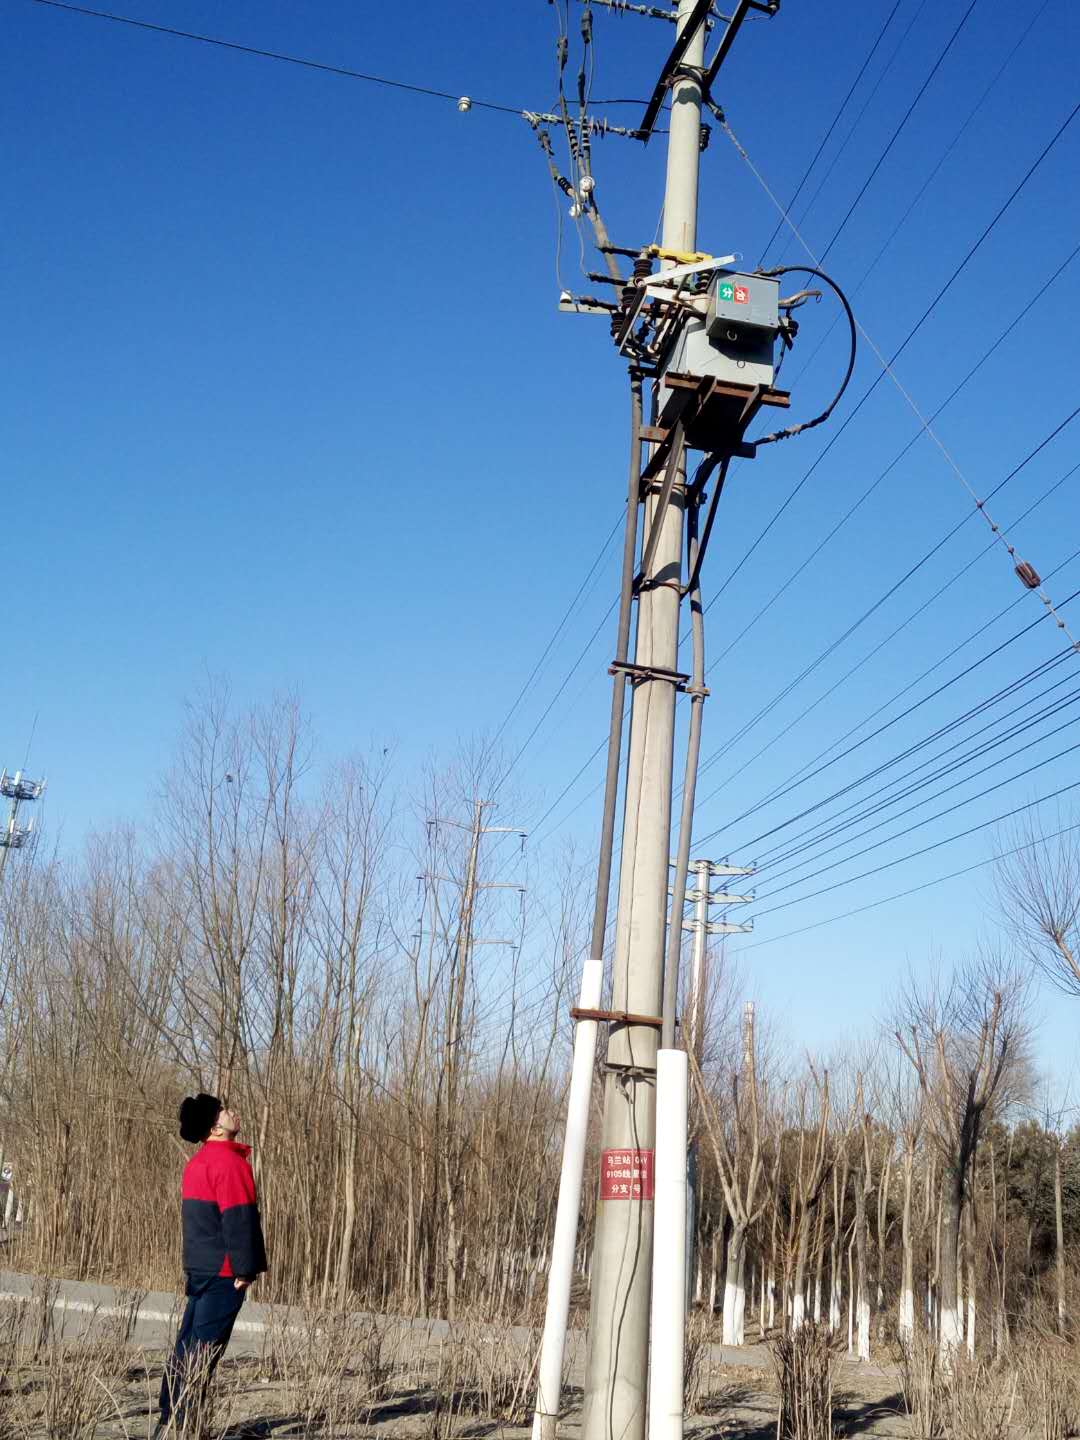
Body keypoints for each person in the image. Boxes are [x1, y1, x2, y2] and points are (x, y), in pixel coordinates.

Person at [156, 1093, 268, 1436]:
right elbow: (239, 1220)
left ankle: (169, 1417)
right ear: (215, 1127)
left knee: (187, 1345)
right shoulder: (230, 1164)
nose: (233, 1112)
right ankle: (184, 1424)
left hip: (201, 1269)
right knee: (203, 1353)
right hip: (223, 1274)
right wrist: (244, 1269)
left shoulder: (198, 1163)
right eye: (225, 1110)